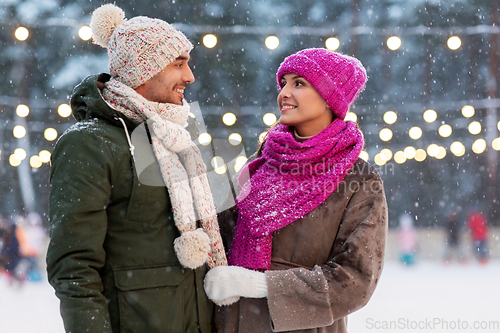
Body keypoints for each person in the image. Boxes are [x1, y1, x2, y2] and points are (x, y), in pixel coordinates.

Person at [46, 4, 227, 333]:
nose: (190, 76)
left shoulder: (178, 140)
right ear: (144, 70)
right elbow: (74, 266)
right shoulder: (89, 144)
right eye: (178, 64)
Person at [204, 48, 388, 333]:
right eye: (284, 83)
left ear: (330, 98)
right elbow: (219, 239)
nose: (284, 93)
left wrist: (263, 285)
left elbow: (356, 279)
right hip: (233, 323)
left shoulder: (359, 178)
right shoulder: (260, 164)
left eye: (298, 83)